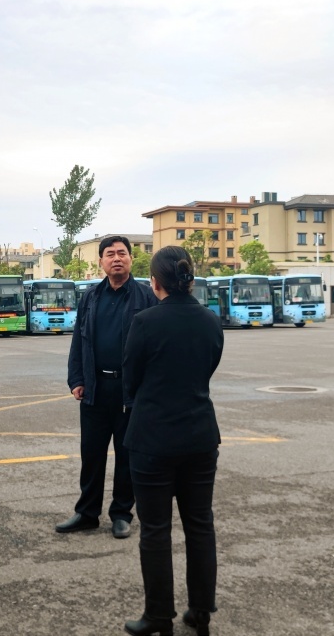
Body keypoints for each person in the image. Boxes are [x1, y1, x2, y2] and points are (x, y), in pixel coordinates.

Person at [120, 246, 224, 636]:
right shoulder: (210, 320)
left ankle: (158, 616)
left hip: (153, 439)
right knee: (200, 525)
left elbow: (131, 379)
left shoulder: (145, 322)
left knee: (155, 529)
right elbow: (208, 368)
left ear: (155, 282)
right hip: (200, 436)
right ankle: (201, 612)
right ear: (189, 278)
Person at [56, 236, 158, 539]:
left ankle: (122, 514)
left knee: (127, 457)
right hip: (95, 388)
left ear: (130, 259)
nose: (117, 258)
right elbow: (79, 340)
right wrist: (77, 379)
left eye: (122, 253)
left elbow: (156, 346)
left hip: (130, 392)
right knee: (91, 455)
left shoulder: (146, 297)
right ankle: (87, 513)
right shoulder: (90, 297)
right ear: (101, 261)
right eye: (110, 254)